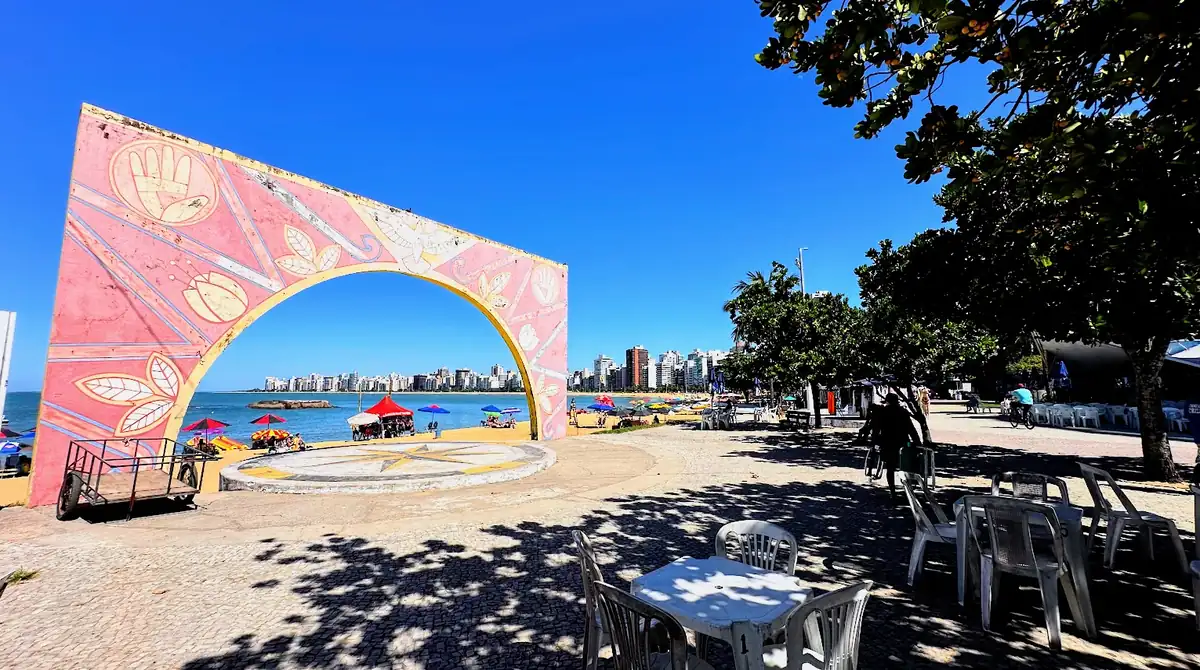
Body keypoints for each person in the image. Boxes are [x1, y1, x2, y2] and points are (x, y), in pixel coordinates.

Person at [870, 393, 922, 499]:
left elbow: (876, 429)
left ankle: (892, 491)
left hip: (887, 443)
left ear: (887, 401)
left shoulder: (882, 412)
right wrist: (917, 442)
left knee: (890, 468)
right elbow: (911, 428)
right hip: (902, 442)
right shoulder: (903, 411)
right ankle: (908, 489)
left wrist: (874, 441)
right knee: (906, 466)